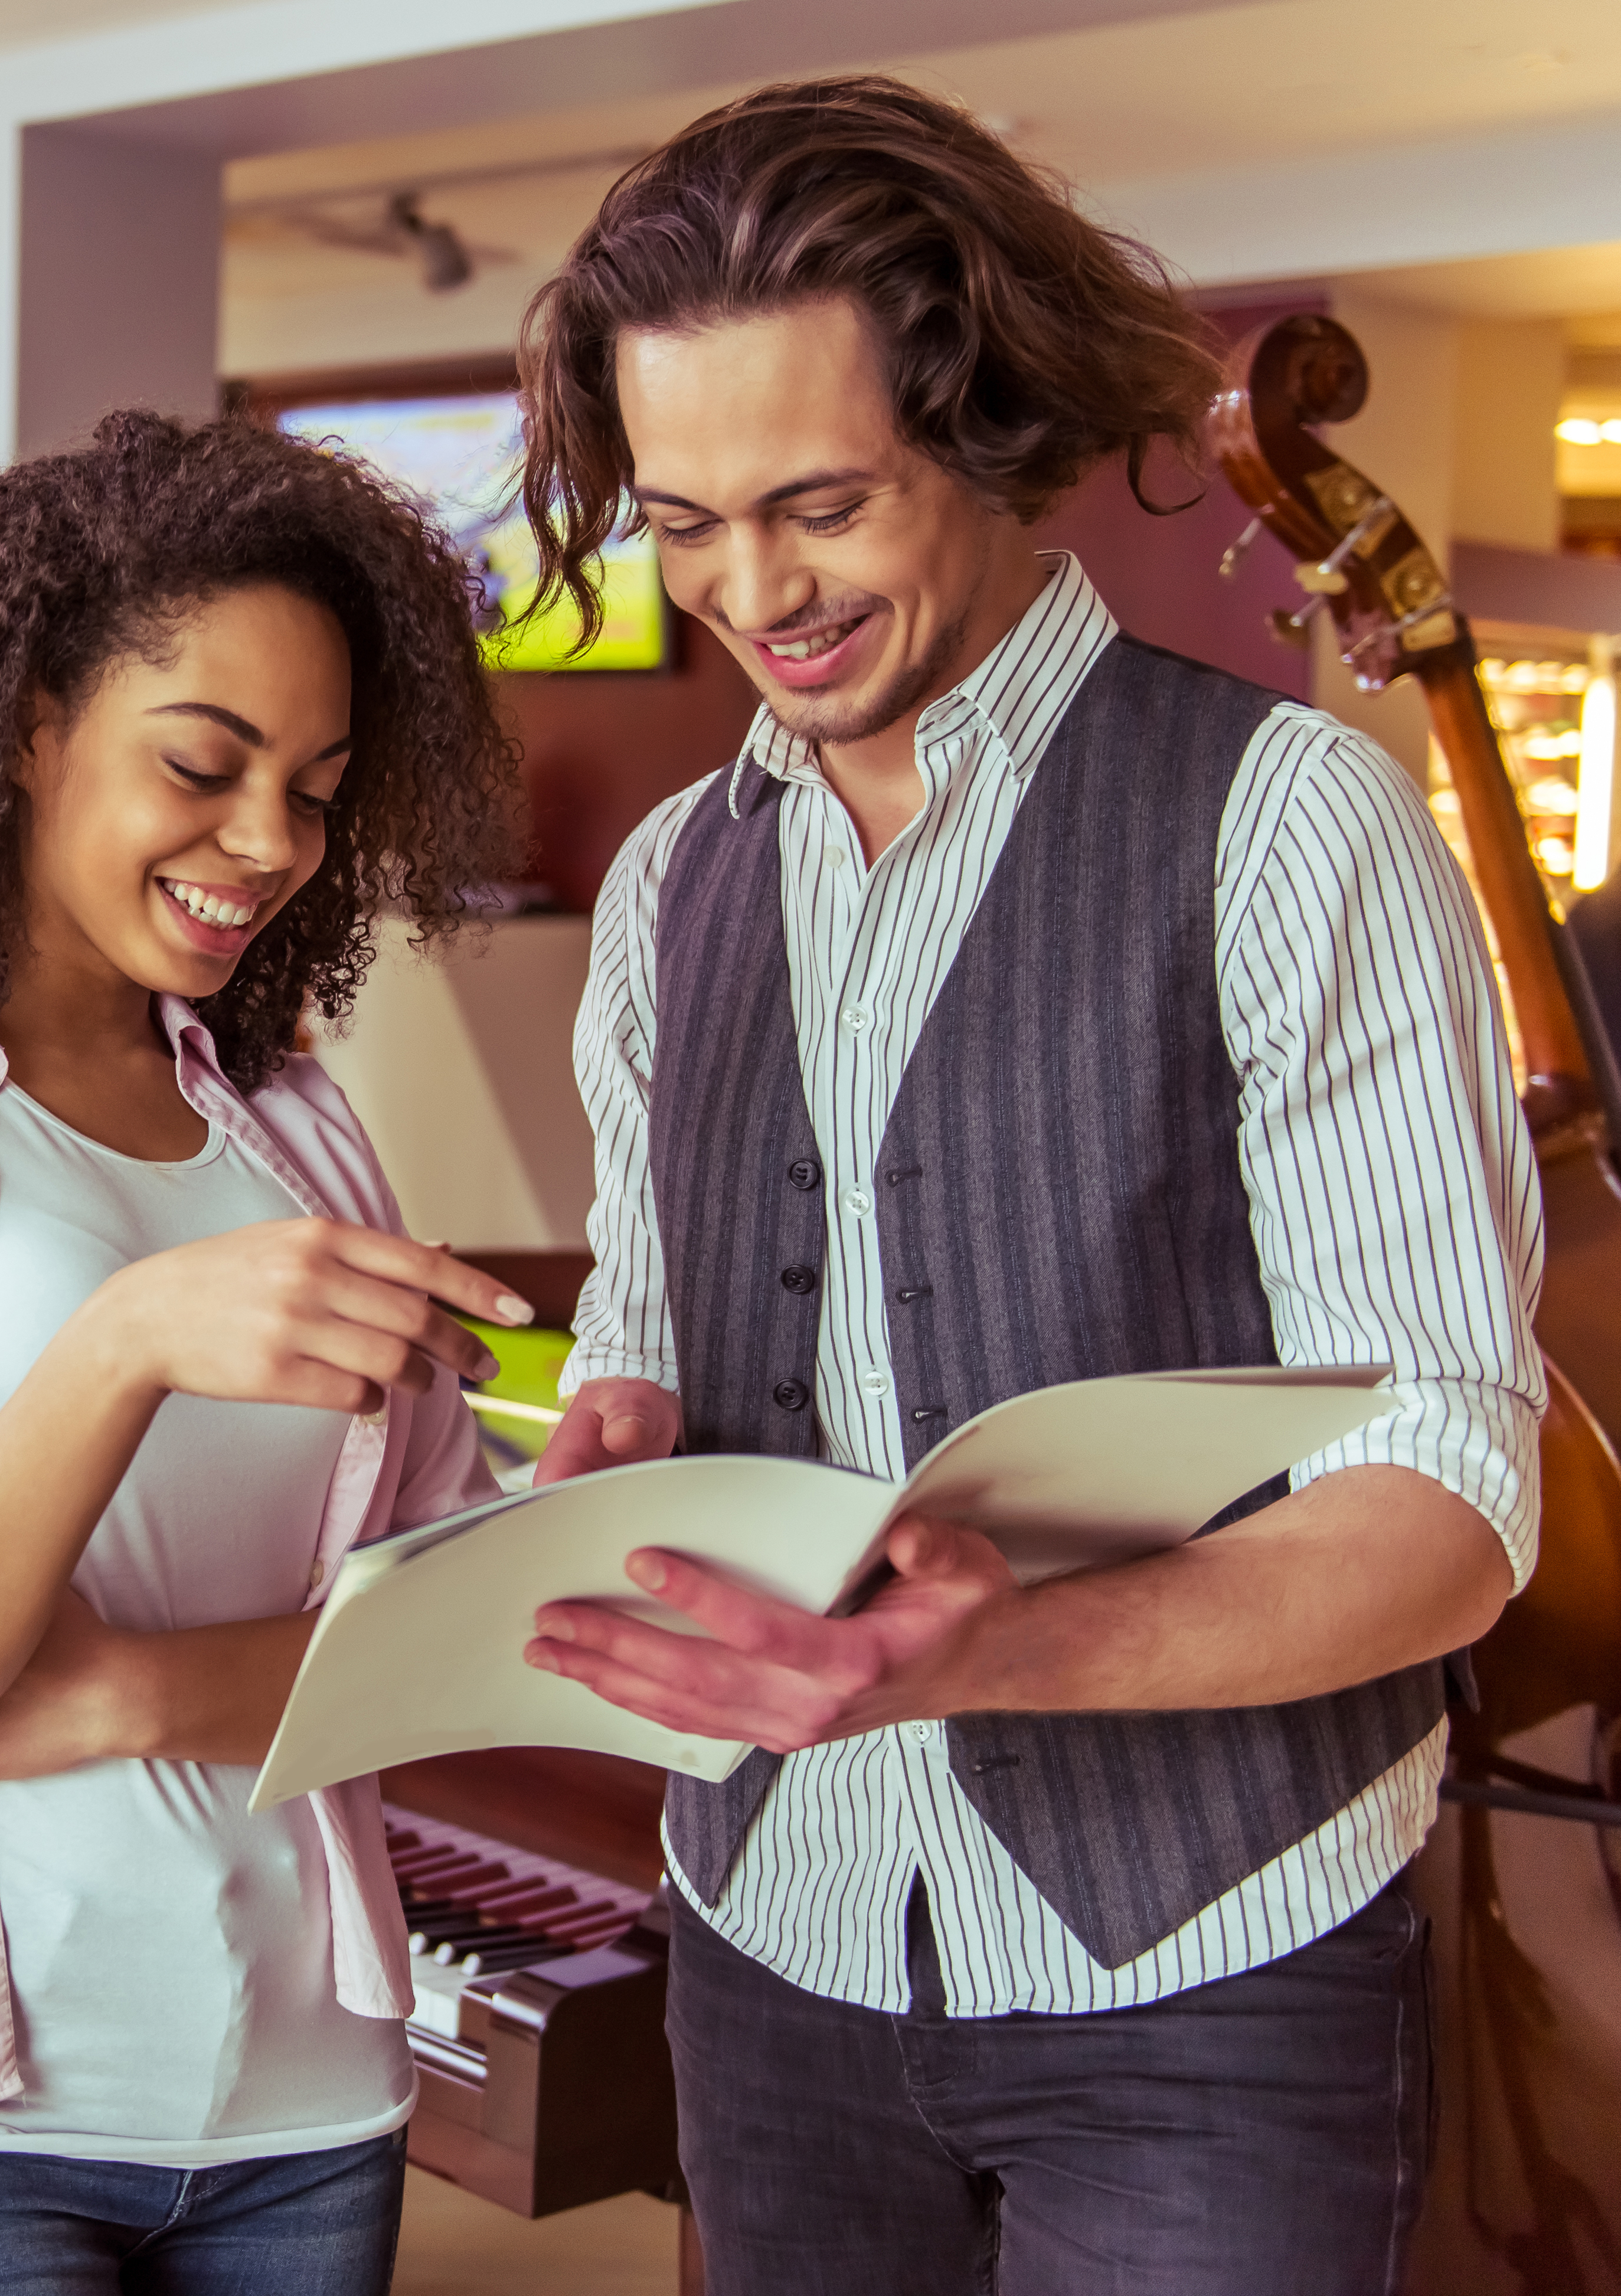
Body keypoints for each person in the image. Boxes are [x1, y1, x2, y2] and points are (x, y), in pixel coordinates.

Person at [506, 77, 1541, 2291]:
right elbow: (648, 1332)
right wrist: (615, 1430)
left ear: (982, 433)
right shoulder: (667, 882)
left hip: (1206, 1970)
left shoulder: (1286, 824)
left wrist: (1008, 1651)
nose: (747, 595)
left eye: (818, 504)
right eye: (683, 521)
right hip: (768, 1933)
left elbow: (1443, 1508)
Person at [0, 408, 535, 2293]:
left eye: (313, 786)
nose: (269, 844)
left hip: (307, 2099)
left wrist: (135, 1694)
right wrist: (125, 1338)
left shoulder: (293, 1127)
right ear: (26, 728)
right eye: (203, 765)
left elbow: (428, 1639)